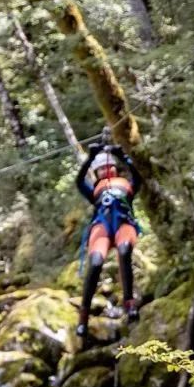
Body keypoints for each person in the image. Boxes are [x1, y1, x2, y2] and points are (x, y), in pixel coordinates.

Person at [75, 138, 142, 346]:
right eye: (101, 169)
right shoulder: (94, 191)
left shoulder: (126, 186)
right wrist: (90, 158)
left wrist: (124, 157)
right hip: (102, 225)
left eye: (108, 167)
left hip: (123, 223)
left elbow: (138, 179)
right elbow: (79, 182)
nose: (105, 171)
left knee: (124, 250)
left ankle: (129, 304)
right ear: (96, 174)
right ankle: (83, 317)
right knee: (95, 262)